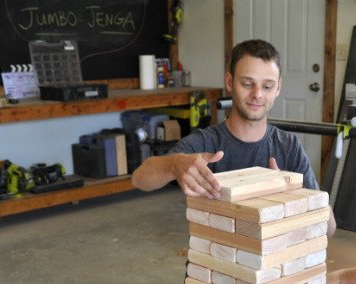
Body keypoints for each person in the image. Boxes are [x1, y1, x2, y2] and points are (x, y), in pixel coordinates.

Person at [132, 38, 336, 235]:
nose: (257, 94)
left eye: (267, 86)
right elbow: (140, 178)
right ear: (229, 82)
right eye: (247, 84)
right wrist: (174, 165)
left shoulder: (288, 146)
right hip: (215, 260)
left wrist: (290, 193)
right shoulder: (206, 142)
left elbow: (330, 228)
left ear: (278, 88)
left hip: (272, 264)